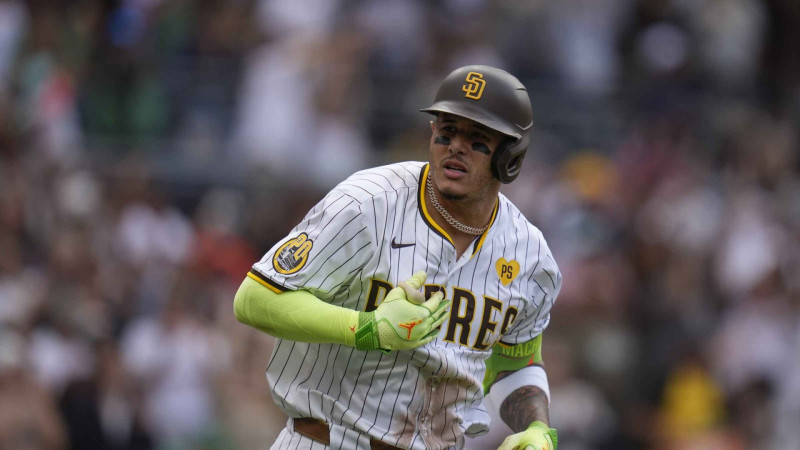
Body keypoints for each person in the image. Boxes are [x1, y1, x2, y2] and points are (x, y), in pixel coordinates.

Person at [234, 65, 561, 450]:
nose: (455, 146)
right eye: (447, 130)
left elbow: (515, 362)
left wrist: (537, 427)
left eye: (477, 138)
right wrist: (366, 328)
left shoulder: (531, 255)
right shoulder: (367, 202)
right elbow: (253, 300)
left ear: (511, 157)